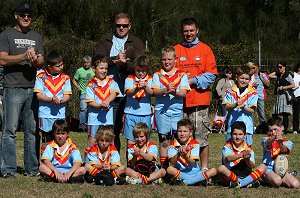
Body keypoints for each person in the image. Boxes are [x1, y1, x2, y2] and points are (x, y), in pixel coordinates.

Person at [0, 3, 44, 177]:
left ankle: (32, 169)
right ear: (16, 16)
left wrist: (35, 61)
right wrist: (23, 56)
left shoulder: (36, 36)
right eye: (23, 15)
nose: (26, 18)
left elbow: (41, 62)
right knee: (9, 131)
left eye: (29, 15)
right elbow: (2, 60)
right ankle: (8, 169)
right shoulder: (6, 35)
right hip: (13, 87)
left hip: (33, 88)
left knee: (31, 131)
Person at [94, 13, 144, 152]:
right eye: (118, 25)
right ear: (114, 26)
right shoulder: (105, 40)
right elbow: (98, 59)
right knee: (110, 129)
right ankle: (109, 160)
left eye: (124, 25)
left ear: (130, 26)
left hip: (131, 92)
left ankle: (134, 162)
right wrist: (115, 59)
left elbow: (141, 65)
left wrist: (125, 66)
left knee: (134, 131)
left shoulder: (136, 42)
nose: (121, 28)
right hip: (109, 92)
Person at [174, 17, 218, 170]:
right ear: (182, 32)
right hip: (179, 102)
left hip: (200, 101)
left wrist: (192, 81)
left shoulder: (206, 49)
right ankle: (182, 167)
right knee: (181, 136)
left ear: (197, 30)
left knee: (201, 137)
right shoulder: (175, 50)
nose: (189, 33)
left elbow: (212, 74)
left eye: (191, 30)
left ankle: (204, 169)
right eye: (186, 31)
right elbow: (169, 73)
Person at [152, 46, 189, 168]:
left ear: (175, 59)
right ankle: (164, 169)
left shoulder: (182, 75)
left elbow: (183, 94)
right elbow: (154, 92)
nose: (166, 62)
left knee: (178, 140)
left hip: (177, 112)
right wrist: (165, 90)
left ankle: (177, 166)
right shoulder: (157, 75)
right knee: (164, 141)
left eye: (169, 59)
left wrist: (174, 93)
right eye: (163, 59)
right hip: (161, 112)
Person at [34, 50, 72, 155]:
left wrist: (60, 100)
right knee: (46, 140)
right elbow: (39, 95)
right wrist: (51, 99)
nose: (61, 67)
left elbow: (67, 96)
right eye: (58, 66)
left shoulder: (65, 77)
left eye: (62, 64)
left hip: (59, 114)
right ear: (50, 67)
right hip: (45, 115)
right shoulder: (41, 76)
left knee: (60, 139)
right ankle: (46, 164)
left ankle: (59, 162)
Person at [85, 58, 120, 156]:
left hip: (108, 119)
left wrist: (107, 101)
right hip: (94, 119)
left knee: (110, 141)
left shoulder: (111, 82)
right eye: (101, 68)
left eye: (106, 68)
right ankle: (88, 164)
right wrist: (101, 105)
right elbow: (90, 101)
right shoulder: (91, 84)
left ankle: (112, 163)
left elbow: (114, 93)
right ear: (93, 69)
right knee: (92, 141)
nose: (104, 71)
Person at [167, 118, 217, 186]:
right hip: (181, 173)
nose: (182, 134)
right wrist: (178, 153)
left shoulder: (194, 144)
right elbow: (172, 162)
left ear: (190, 133)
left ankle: (185, 182)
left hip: (195, 172)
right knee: (169, 169)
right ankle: (196, 181)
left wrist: (185, 155)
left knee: (214, 170)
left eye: (185, 131)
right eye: (179, 131)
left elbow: (192, 163)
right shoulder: (172, 144)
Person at [217, 121, 266, 188]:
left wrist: (247, 159)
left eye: (240, 134)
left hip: (246, 173)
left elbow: (252, 166)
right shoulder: (227, 146)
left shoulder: (248, 148)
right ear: (231, 134)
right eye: (235, 134)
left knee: (263, 167)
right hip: (232, 173)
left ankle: (239, 183)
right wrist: (241, 155)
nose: (237, 137)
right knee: (221, 168)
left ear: (245, 135)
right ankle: (247, 182)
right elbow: (227, 158)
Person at [223, 65, 258, 146]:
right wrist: (235, 104)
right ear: (237, 77)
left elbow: (252, 110)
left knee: (246, 151)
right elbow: (227, 107)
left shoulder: (253, 92)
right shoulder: (229, 91)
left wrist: (243, 107)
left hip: (247, 128)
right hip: (232, 127)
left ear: (249, 80)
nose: (244, 81)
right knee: (230, 150)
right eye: (242, 78)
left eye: (246, 79)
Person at [124, 55, 153, 147]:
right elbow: (128, 93)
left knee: (145, 141)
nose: (140, 73)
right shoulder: (129, 78)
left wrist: (145, 87)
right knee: (131, 141)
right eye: (138, 70)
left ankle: (144, 161)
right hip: (130, 113)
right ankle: (131, 161)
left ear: (147, 69)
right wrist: (136, 89)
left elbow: (152, 93)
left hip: (145, 114)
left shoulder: (151, 79)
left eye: (143, 71)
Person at [262, 116, 299, 188]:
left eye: (275, 129)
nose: (273, 132)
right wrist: (274, 138)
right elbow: (267, 143)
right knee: (277, 181)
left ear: (282, 128)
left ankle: (280, 178)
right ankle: (265, 177)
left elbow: (284, 150)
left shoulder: (288, 142)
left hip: (281, 170)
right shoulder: (265, 139)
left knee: (296, 184)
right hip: (268, 169)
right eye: (270, 130)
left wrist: (280, 143)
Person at [269, 62, 295, 133]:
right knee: (275, 113)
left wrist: (284, 87)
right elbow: (270, 75)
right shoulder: (278, 75)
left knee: (284, 113)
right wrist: (276, 71)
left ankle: (285, 129)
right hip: (279, 96)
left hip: (285, 96)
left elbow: (293, 85)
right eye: (278, 67)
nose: (279, 68)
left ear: (284, 67)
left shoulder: (287, 75)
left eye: (280, 67)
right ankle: (275, 127)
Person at [72, 55, 95, 131]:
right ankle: (82, 126)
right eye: (84, 62)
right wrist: (78, 87)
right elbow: (74, 80)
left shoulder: (93, 70)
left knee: (92, 109)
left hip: (92, 92)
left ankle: (90, 124)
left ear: (90, 63)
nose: (86, 64)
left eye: (87, 62)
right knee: (83, 109)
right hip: (83, 92)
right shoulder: (79, 70)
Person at [247, 62, 270, 132]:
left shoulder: (262, 75)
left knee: (261, 114)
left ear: (257, 68)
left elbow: (268, 84)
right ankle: (251, 129)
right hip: (251, 96)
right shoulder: (249, 76)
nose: (252, 69)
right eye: (251, 68)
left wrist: (261, 79)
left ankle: (264, 129)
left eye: (254, 68)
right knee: (251, 113)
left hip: (260, 96)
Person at [292, 63, 300, 134]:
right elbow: (292, 86)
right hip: (297, 96)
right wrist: (298, 84)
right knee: (296, 113)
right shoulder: (294, 75)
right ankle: (295, 129)